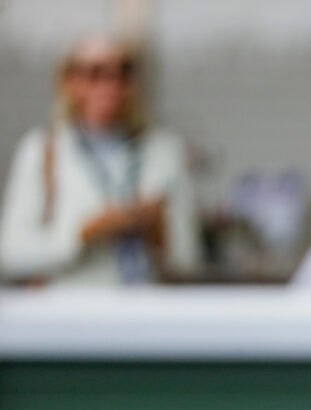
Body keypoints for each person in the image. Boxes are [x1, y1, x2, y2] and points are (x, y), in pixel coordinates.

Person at [0, 35, 199, 285]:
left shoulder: (163, 151)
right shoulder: (43, 151)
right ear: (70, 81)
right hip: (72, 312)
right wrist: (82, 235)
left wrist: (159, 231)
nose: (110, 85)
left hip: (144, 312)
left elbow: (187, 259)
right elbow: (11, 253)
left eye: (123, 73)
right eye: (96, 73)